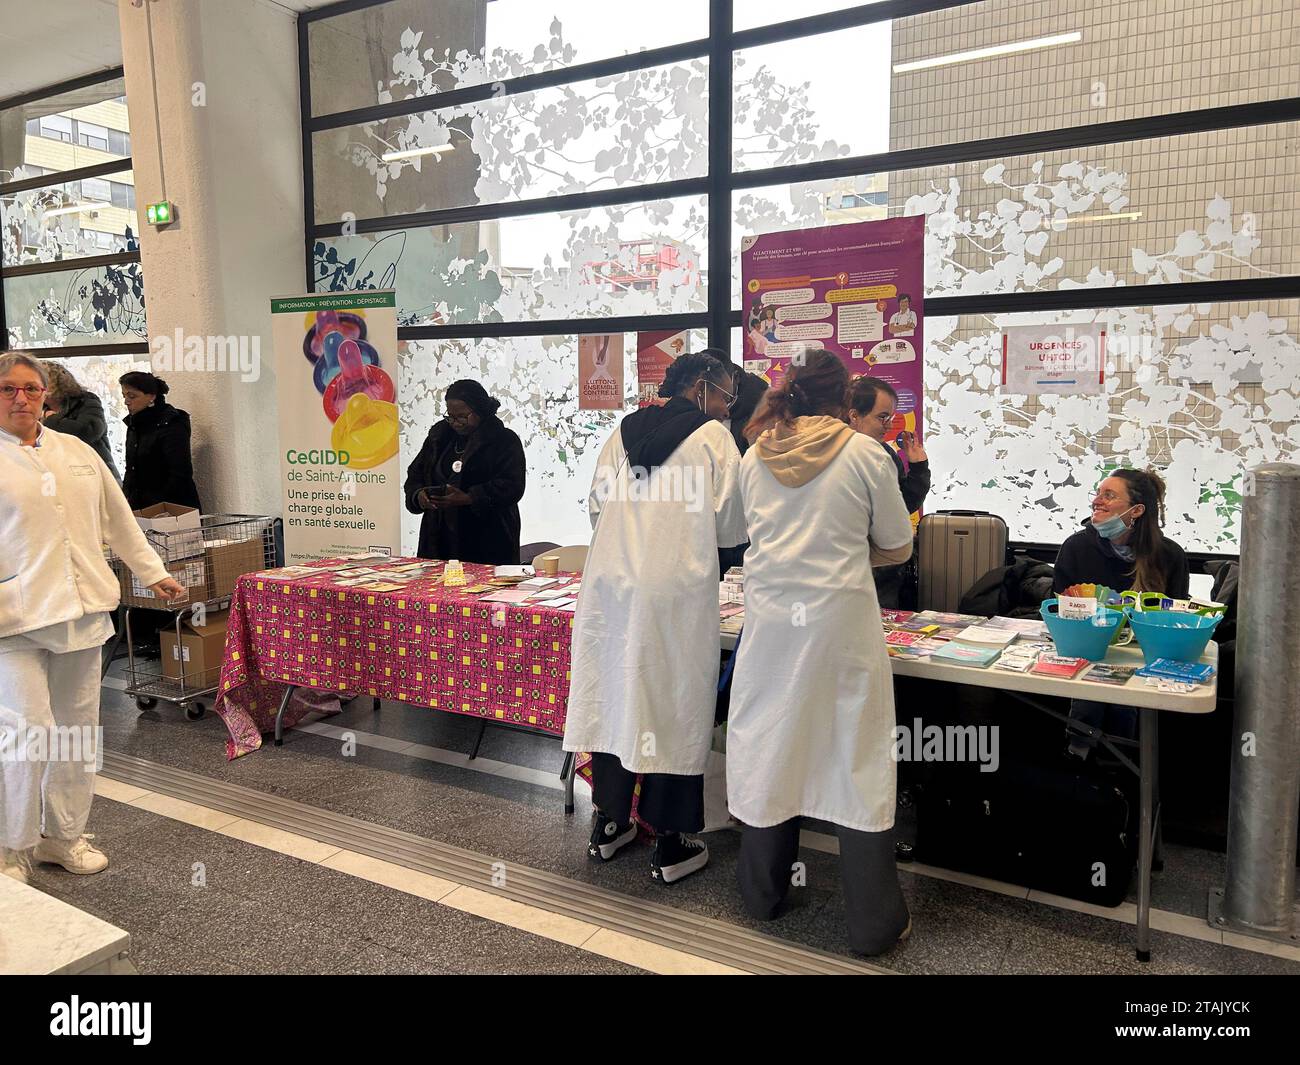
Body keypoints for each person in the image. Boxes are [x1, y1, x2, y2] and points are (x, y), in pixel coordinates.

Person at [726, 349, 914, 955]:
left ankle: (763, 897)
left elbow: (736, 532)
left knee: (769, 747)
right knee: (855, 759)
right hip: (840, 626)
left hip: (772, 624)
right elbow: (898, 543)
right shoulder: (865, 454)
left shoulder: (754, 456)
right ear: (843, 400)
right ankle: (873, 926)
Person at [0, 352, 185, 884]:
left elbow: (119, 519)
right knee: (27, 731)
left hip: (82, 614)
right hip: (14, 621)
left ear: (45, 394)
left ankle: (63, 836)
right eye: (8, 390)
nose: (21, 399)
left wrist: (152, 572)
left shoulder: (76, 451)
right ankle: (14, 845)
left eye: (30, 389)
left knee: (78, 732)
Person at [564, 352, 746, 884]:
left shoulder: (620, 434)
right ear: (703, 386)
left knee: (617, 696)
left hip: (611, 587)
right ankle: (671, 842)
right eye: (728, 394)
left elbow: (597, 509)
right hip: (674, 590)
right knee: (673, 705)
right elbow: (731, 523)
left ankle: (611, 821)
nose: (729, 406)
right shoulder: (713, 439)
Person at [1054, 468, 1189, 759]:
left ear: (1136, 510)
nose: (1096, 501)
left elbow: (1175, 619)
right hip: (1086, 652)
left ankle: (1121, 767)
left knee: (1124, 700)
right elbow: (1060, 609)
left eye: (1109, 495)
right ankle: (1078, 758)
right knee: (1091, 691)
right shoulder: (1077, 547)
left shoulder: (1169, 555)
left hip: (1144, 659)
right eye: (1098, 493)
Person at [403, 379, 526, 565]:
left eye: (462, 416)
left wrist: (470, 497)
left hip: (487, 541)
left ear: (480, 410)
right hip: (438, 541)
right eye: (450, 416)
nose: (455, 422)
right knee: (434, 593)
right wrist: (419, 495)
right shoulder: (439, 437)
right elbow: (415, 474)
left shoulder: (504, 440)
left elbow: (513, 486)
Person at [845, 375, 930, 607]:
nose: (890, 425)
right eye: (882, 417)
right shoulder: (835, 453)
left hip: (882, 570)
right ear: (854, 415)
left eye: (890, 417)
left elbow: (903, 504)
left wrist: (918, 468)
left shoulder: (883, 451)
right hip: (852, 567)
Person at [119, 371, 202, 511]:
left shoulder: (172, 424)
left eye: (132, 396)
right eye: (124, 396)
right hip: (142, 506)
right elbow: (131, 469)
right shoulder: (134, 424)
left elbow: (179, 474)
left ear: (151, 396)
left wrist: (157, 507)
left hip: (173, 507)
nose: (126, 401)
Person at [42, 363, 120, 482]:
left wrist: (51, 419)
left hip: (95, 473)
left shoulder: (85, 401)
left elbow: (88, 431)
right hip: (57, 475)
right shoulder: (37, 409)